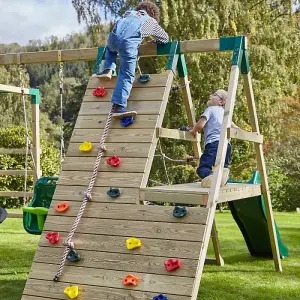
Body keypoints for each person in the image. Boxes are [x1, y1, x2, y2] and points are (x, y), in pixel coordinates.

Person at [96, 1, 169, 118]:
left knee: (110, 49)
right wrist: (154, 41)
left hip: (112, 39)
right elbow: (165, 38)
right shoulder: (151, 21)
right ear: (153, 14)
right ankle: (119, 106)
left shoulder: (128, 13)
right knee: (126, 74)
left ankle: (108, 68)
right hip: (128, 44)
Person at [189, 89, 238, 188]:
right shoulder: (226, 114)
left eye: (214, 94)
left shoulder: (211, 109)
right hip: (227, 145)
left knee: (202, 168)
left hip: (213, 144)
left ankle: (211, 176)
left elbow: (200, 125)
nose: (211, 95)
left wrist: (193, 130)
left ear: (221, 102)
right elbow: (236, 129)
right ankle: (223, 174)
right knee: (222, 167)